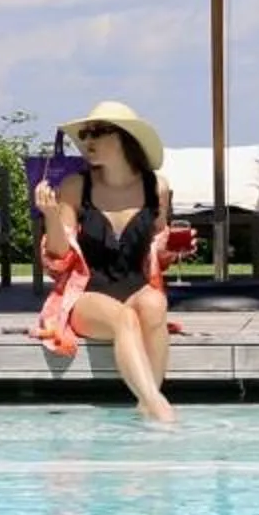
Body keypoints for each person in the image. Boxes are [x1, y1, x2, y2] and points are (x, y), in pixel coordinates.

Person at [32, 100, 176, 422]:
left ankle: (147, 406)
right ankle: (159, 407)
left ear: (124, 137)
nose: (88, 141)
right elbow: (58, 259)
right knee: (124, 318)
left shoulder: (156, 187)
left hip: (136, 287)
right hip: (88, 294)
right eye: (85, 134)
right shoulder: (76, 187)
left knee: (155, 304)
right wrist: (51, 217)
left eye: (97, 132)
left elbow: (158, 250)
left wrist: (172, 249)